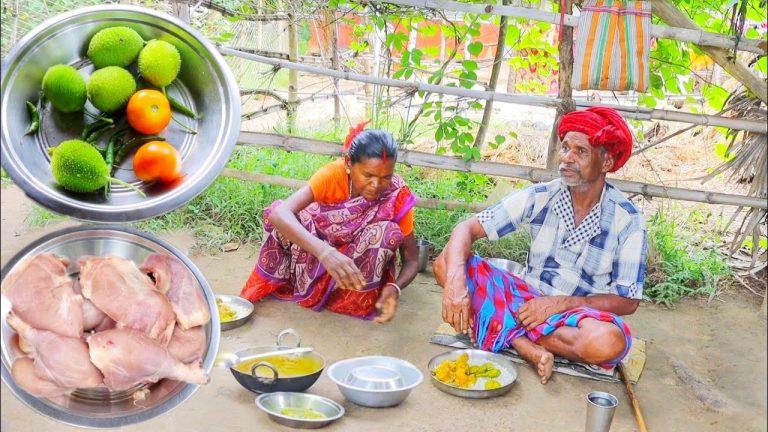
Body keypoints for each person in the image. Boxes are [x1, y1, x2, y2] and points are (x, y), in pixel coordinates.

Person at [434, 107, 646, 384]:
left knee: (607, 343)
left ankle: (502, 328)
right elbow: (467, 228)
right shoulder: (542, 195)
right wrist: (455, 286)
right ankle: (526, 346)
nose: (567, 159)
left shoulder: (627, 219)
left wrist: (558, 304)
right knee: (445, 263)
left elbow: (628, 301)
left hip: (577, 314)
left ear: (606, 162)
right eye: (566, 148)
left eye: (580, 152)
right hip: (524, 299)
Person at [240, 124, 419, 323]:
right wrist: (325, 253)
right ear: (349, 163)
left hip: (354, 273)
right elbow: (279, 214)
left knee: (388, 232)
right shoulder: (332, 175)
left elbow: (412, 260)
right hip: (313, 258)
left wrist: (395, 288)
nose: (376, 185)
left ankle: (348, 299)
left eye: (386, 177)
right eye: (367, 176)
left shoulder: (397, 194)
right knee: (285, 217)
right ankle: (304, 285)